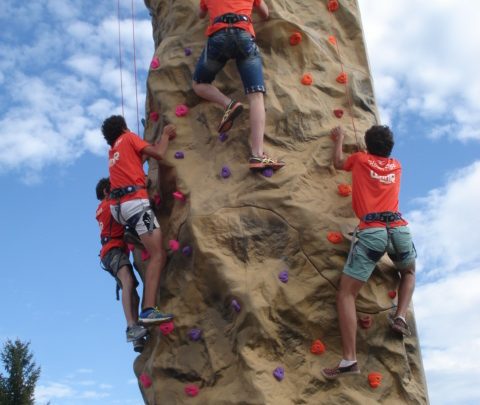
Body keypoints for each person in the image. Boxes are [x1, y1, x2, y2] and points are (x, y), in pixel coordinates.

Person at [322, 125, 416, 379]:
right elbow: (378, 164)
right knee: (408, 272)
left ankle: (349, 359)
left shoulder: (360, 159)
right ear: (389, 148)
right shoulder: (396, 165)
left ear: (367, 144)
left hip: (372, 231)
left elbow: (338, 163)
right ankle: (400, 318)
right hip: (398, 229)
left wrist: (339, 139)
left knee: (346, 295)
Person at [192, 0, 284, 170]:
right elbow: (265, 14)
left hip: (218, 37)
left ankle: (229, 104)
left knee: (199, 84)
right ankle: (257, 155)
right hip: (244, 35)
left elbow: (200, 15)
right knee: (256, 96)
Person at [101, 115, 176, 325]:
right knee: (157, 254)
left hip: (119, 209)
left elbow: (138, 160)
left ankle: (134, 233)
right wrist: (166, 135)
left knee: (144, 231)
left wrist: (147, 147)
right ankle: (149, 309)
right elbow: (160, 153)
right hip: (135, 205)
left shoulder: (113, 151)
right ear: (124, 127)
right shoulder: (129, 137)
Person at [95, 177, 147, 353]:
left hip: (111, 252)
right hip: (113, 250)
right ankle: (132, 327)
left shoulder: (102, 208)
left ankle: (137, 339)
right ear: (106, 191)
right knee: (129, 283)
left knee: (134, 295)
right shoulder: (108, 203)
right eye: (114, 186)